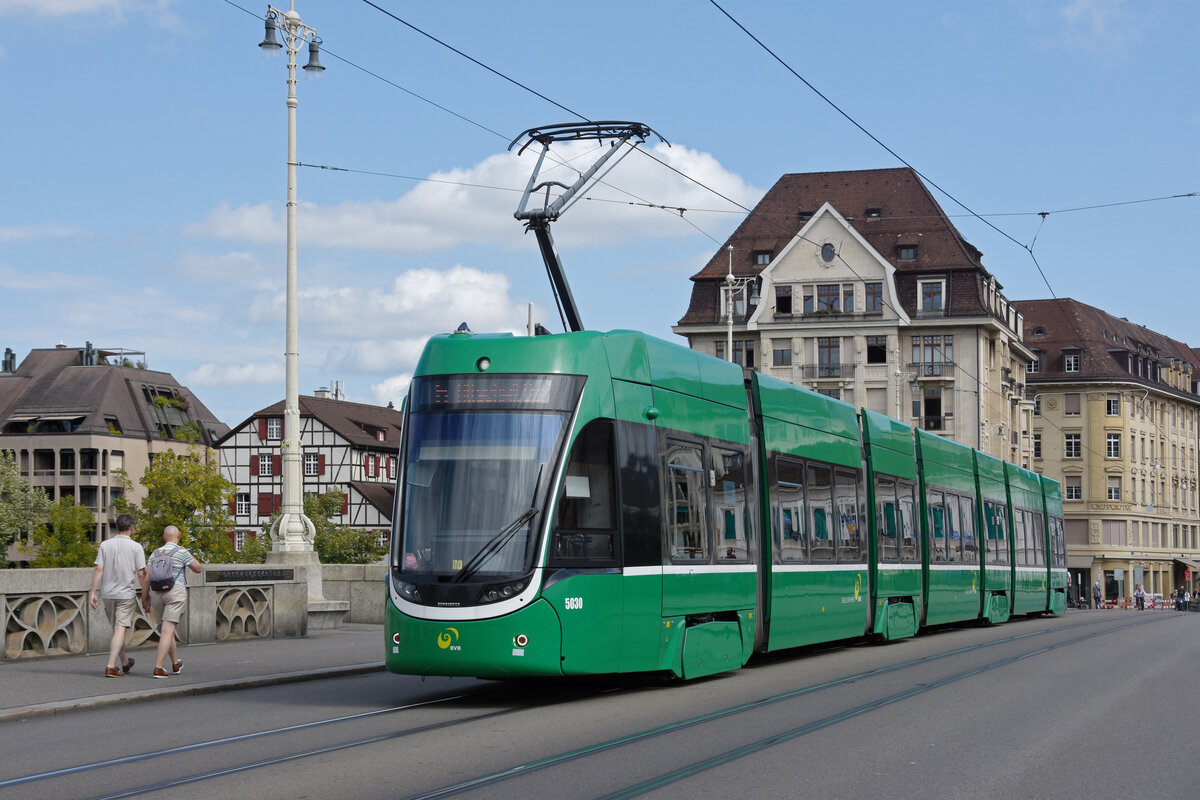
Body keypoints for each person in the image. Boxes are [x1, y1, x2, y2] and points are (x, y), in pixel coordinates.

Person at [141, 525, 203, 678]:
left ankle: (175, 663)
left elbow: (147, 578)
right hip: (175, 591)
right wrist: (187, 552)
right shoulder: (181, 552)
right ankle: (158, 667)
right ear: (179, 535)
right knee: (168, 630)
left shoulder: (155, 553)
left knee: (166, 630)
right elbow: (198, 568)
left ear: (164, 537)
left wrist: (144, 598)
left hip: (156, 593)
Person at [90, 513, 148, 677]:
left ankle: (124, 663)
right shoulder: (136, 547)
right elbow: (142, 574)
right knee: (119, 629)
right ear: (132, 528)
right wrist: (145, 596)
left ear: (117, 528)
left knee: (117, 630)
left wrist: (93, 591)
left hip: (107, 593)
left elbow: (99, 569)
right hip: (125, 593)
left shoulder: (105, 545)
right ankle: (110, 666)